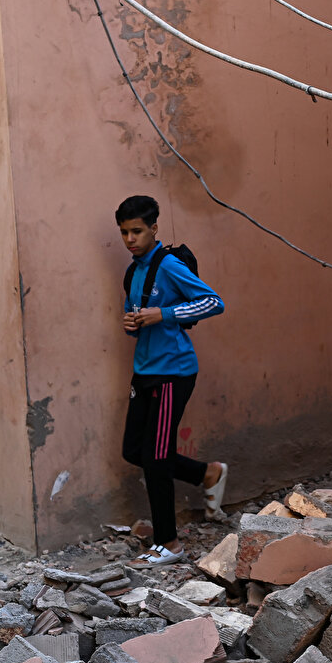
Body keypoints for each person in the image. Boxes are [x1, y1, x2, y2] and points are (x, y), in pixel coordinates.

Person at [115, 195, 228, 567]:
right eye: (124, 232)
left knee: (157, 457)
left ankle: (169, 544)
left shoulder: (170, 265)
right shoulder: (132, 272)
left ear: (153, 229)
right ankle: (206, 473)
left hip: (173, 372)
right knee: (135, 450)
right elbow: (140, 321)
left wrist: (162, 313)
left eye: (137, 231)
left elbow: (212, 302)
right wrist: (134, 324)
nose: (130, 239)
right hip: (144, 369)